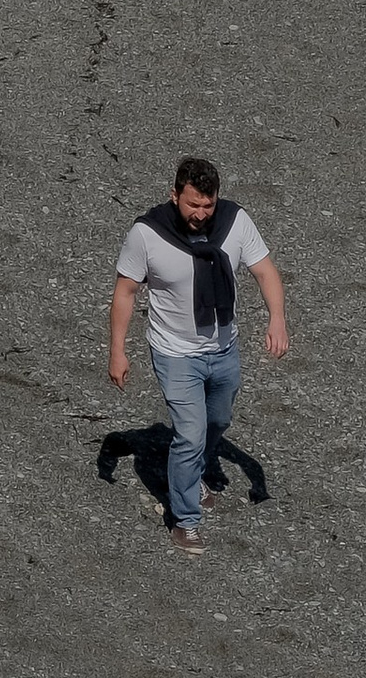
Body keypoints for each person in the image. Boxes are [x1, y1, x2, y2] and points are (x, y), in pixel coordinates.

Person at [108, 154, 288, 552]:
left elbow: (265, 270)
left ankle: (194, 471)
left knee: (218, 422)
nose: (201, 213)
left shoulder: (235, 222)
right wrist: (117, 352)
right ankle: (185, 519)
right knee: (189, 435)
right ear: (174, 196)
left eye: (208, 205)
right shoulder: (147, 233)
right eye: (193, 204)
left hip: (224, 348)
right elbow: (125, 292)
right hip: (175, 352)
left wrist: (277, 319)